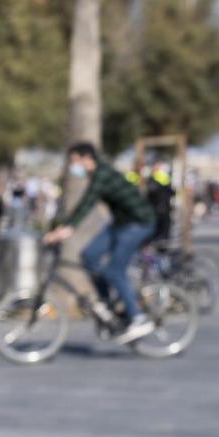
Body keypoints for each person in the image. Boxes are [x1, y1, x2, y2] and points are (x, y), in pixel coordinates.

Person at [43, 142, 159, 344]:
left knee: (114, 271)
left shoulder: (102, 174)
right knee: (89, 255)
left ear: (87, 158)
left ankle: (138, 317)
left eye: (74, 162)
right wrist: (62, 227)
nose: (73, 167)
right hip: (121, 224)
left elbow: (87, 202)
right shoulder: (97, 175)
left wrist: (67, 229)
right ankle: (107, 309)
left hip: (139, 223)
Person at [144, 162, 176, 243]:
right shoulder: (161, 177)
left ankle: (160, 239)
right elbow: (171, 191)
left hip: (159, 204)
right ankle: (162, 239)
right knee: (163, 224)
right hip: (162, 204)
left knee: (161, 223)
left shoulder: (154, 178)